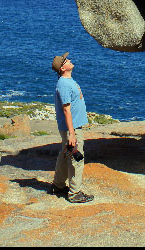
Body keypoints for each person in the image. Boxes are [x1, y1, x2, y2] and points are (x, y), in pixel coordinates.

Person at [49, 51, 94, 203]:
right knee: (76, 159)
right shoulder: (63, 84)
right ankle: (75, 193)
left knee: (65, 154)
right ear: (62, 68)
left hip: (70, 128)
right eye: (66, 61)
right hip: (71, 128)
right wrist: (72, 134)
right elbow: (66, 109)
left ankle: (58, 184)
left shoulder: (67, 81)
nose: (69, 60)